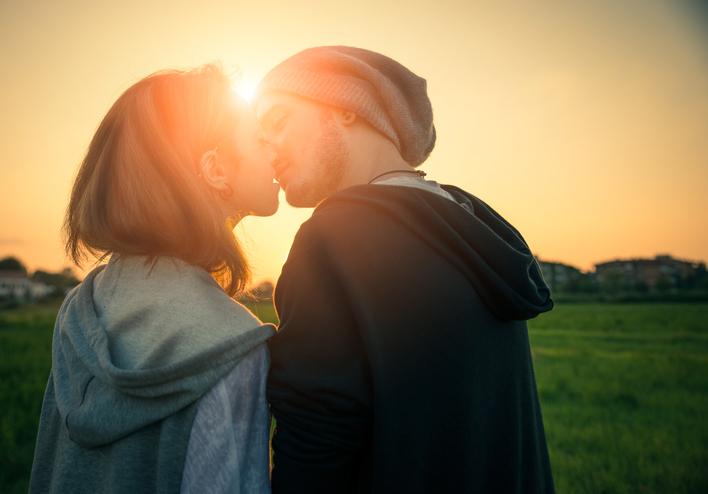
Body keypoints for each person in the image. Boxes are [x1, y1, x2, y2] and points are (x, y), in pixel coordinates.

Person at [256, 46, 555, 493]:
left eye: (277, 122)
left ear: (345, 109)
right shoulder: (472, 227)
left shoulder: (335, 236)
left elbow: (315, 448)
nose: (267, 149)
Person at [29, 64, 278, 493]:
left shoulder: (81, 309)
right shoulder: (232, 345)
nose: (274, 147)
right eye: (258, 138)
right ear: (216, 168)